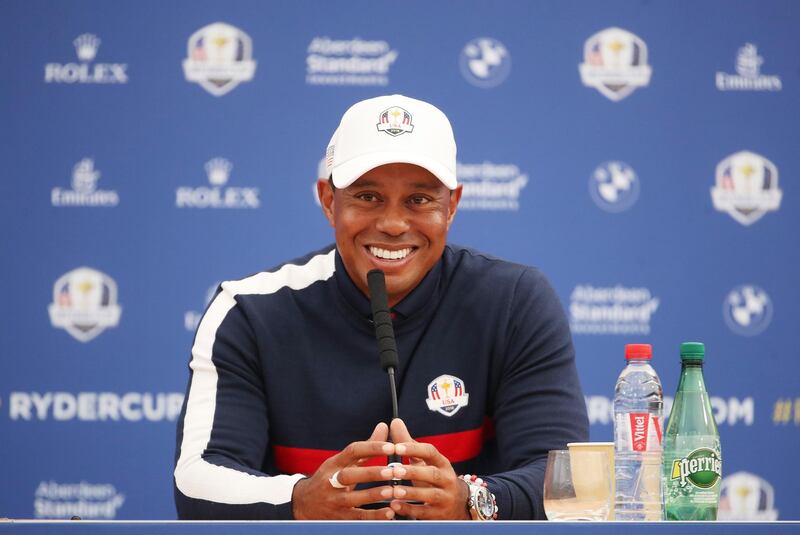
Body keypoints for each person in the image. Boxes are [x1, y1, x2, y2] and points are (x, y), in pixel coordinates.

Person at [173, 94, 589, 520]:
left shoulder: (514, 302)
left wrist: (470, 500)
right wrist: (301, 500)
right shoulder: (250, 311)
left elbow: (568, 479)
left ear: (453, 205)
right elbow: (198, 478)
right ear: (328, 201)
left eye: (419, 200)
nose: (392, 224)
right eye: (368, 197)